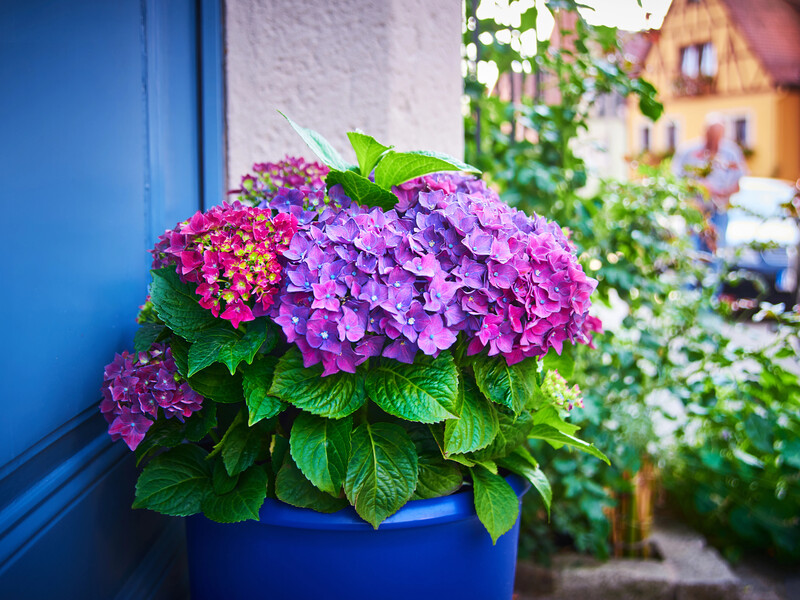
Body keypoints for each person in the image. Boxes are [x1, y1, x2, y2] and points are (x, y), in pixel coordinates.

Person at [671, 113, 747, 253]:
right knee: (692, 252)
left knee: (716, 253)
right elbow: (675, 180)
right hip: (694, 212)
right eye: (712, 134)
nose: (714, 140)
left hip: (719, 211)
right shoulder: (688, 151)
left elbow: (738, 184)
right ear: (705, 132)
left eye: (718, 135)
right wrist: (699, 187)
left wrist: (722, 192)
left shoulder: (731, 152)